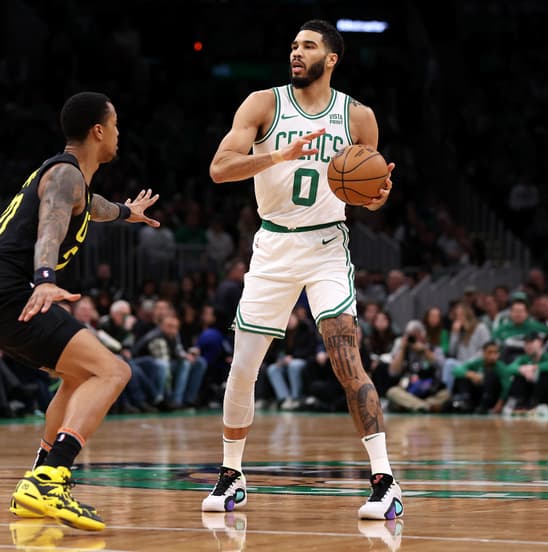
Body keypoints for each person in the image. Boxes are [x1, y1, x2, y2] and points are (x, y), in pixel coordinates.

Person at [202, 20, 401, 520]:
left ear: (331, 58)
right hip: (272, 245)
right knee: (243, 367)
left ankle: (385, 481)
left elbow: (370, 193)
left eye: (308, 46)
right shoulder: (262, 104)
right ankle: (232, 475)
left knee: (344, 355)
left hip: (326, 244)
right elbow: (220, 167)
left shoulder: (358, 117)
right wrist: (276, 155)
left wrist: (378, 197)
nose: (296, 52)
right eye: (293, 45)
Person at [0, 91, 159, 532]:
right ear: (99, 131)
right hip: (6, 290)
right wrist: (46, 278)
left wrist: (127, 211)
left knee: (78, 375)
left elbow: (92, 207)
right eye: (117, 125)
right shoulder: (66, 175)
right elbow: (51, 223)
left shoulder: (74, 179)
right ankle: (51, 479)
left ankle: (37, 483)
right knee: (113, 372)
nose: (120, 134)